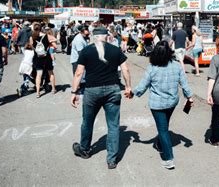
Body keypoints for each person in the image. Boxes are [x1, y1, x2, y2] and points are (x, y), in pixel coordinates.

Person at [71, 27, 132, 170]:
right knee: (113, 125)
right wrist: (128, 87)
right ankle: (111, 159)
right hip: (113, 89)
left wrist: (74, 92)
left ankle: (85, 149)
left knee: (87, 121)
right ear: (106, 36)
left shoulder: (87, 50)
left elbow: (79, 73)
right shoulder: (115, 50)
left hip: (92, 91)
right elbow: (125, 69)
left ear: (93, 37)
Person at [133, 40, 193, 170]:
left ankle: (168, 158)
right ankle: (160, 145)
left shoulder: (152, 68)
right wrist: (189, 96)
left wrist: (133, 93)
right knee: (164, 126)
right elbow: (184, 83)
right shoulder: (177, 66)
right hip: (172, 102)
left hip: (157, 104)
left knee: (163, 130)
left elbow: (142, 86)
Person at [30, 24, 56, 97]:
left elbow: (32, 47)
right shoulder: (47, 36)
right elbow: (55, 45)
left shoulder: (32, 37)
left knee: (38, 75)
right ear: (41, 28)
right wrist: (50, 45)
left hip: (37, 58)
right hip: (46, 57)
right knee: (51, 73)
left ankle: (38, 92)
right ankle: (53, 89)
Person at [70, 25, 90, 93]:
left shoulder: (82, 37)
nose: (87, 34)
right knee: (78, 76)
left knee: (81, 77)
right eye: (86, 33)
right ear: (82, 32)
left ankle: (78, 90)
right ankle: (76, 91)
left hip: (79, 60)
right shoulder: (79, 40)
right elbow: (81, 53)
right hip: (77, 60)